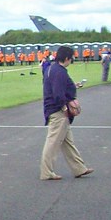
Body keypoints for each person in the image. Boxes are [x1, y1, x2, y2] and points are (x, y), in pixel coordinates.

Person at [40, 46, 93, 181]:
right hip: (58, 112)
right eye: (72, 58)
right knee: (53, 142)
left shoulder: (52, 68)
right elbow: (58, 93)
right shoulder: (60, 72)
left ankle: (79, 168)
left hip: (55, 109)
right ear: (67, 58)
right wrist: (64, 108)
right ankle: (46, 172)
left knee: (68, 142)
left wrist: (72, 86)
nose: (72, 60)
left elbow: (58, 87)